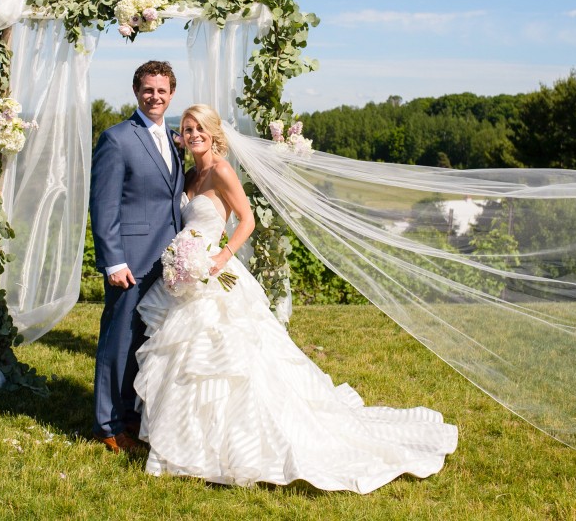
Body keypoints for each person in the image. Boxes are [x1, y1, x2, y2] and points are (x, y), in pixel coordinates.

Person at [133, 105, 458, 493]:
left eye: (200, 128)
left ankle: (237, 446)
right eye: (187, 129)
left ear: (213, 132)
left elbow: (247, 219)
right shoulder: (190, 175)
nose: (193, 134)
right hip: (187, 278)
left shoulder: (221, 170)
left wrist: (220, 257)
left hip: (215, 273)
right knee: (185, 361)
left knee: (228, 361)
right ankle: (192, 442)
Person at [89, 61, 185, 453]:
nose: (155, 97)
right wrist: (114, 261)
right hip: (130, 260)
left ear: (172, 94)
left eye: (162, 91)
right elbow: (103, 205)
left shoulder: (178, 139)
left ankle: (130, 412)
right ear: (136, 91)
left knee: (147, 339)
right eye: (148, 90)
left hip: (169, 262)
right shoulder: (116, 139)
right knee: (119, 340)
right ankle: (107, 424)